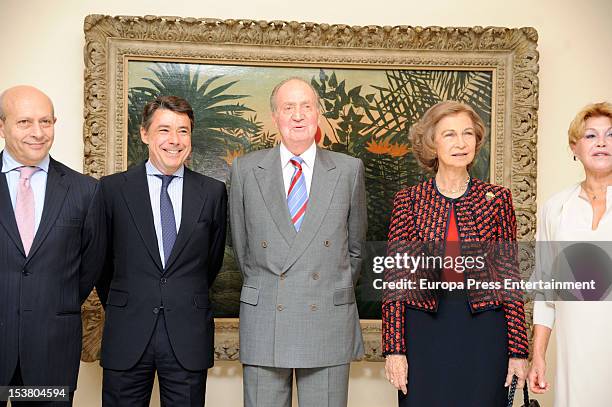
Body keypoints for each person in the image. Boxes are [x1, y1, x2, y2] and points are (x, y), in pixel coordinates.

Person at [230, 77, 367, 407]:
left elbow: (356, 250)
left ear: (318, 114)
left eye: (306, 106)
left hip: (327, 319)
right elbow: (241, 248)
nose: (298, 115)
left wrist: (329, 288)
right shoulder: (245, 170)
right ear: (275, 115)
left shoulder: (348, 170)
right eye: (288, 107)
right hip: (266, 319)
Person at [381, 101, 529, 406]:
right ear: (432, 144)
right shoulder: (408, 201)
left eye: (467, 134)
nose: (461, 143)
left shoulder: (497, 200)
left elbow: (509, 279)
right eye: (449, 134)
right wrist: (395, 349)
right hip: (424, 332)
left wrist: (518, 351)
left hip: (485, 333)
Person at [96, 95, 227, 407]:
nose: (174, 140)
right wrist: (127, 302)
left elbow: (212, 261)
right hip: (127, 332)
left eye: (183, 131)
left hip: (187, 334)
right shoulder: (113, 189)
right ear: (145, 134)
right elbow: (100, 265)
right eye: (164, 130)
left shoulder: (212, 193)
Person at [0, 85, 104, 406]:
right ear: (1, 126)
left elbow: (90, 266)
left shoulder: (85, 191)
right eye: (25, 122)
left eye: (46, 122)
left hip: (51, 351)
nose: (38, 132)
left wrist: (51, 300)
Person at [528, 102, 612, 406]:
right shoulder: (556, 208)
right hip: (574, 351)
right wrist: (538, 356)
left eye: (610, 134)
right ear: (574, 147)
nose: (602, 142)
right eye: (591, 136)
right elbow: (546, 291)